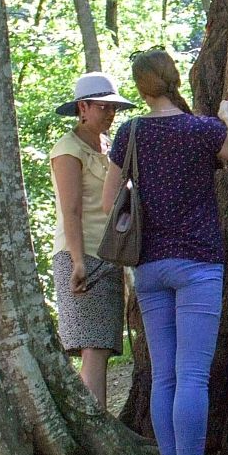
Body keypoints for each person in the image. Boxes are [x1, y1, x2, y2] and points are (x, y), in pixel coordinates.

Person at [103, 48, 228, 455]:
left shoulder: (130, 133)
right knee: (191, 377)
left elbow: (110, 199)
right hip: (198, 264)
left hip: (148, 267)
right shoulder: (201, 129)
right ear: (170, 80)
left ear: (140, 87)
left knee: (164, 378)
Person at [51, 72, 137, 408]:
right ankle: (97, 424)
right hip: (81, 254)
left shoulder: (107, 146)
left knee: (101, 343)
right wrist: (77, 262)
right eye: (103, 107)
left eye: (113, 108)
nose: (110, 114)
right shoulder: (68, 149)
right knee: (93, 346)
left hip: (107, 254)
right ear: (82, 108)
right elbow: (71, 210)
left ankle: (99, 423)